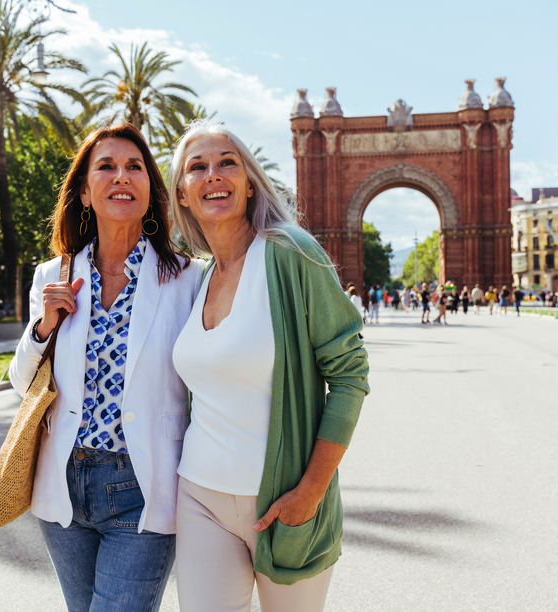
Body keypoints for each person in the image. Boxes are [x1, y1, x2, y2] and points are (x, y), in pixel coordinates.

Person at [168, 120, 369, 612]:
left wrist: (312, 490)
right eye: (198, 167)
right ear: (183, 194)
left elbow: (349, 374)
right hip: (199, 498)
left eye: (227, 163)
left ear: (249, 182)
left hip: (284, 504)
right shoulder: (196, 279)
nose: (213, 175)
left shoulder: (291, 253)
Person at [7, 123, 202, 612]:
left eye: (134, 167)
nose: (122, 176)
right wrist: (42, 329)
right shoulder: (54, 275)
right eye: (107, 167)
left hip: (143, 487)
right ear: (85, 192)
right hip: (63, 487)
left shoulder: (187, 278)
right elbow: (21, 382)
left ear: (150, 190)